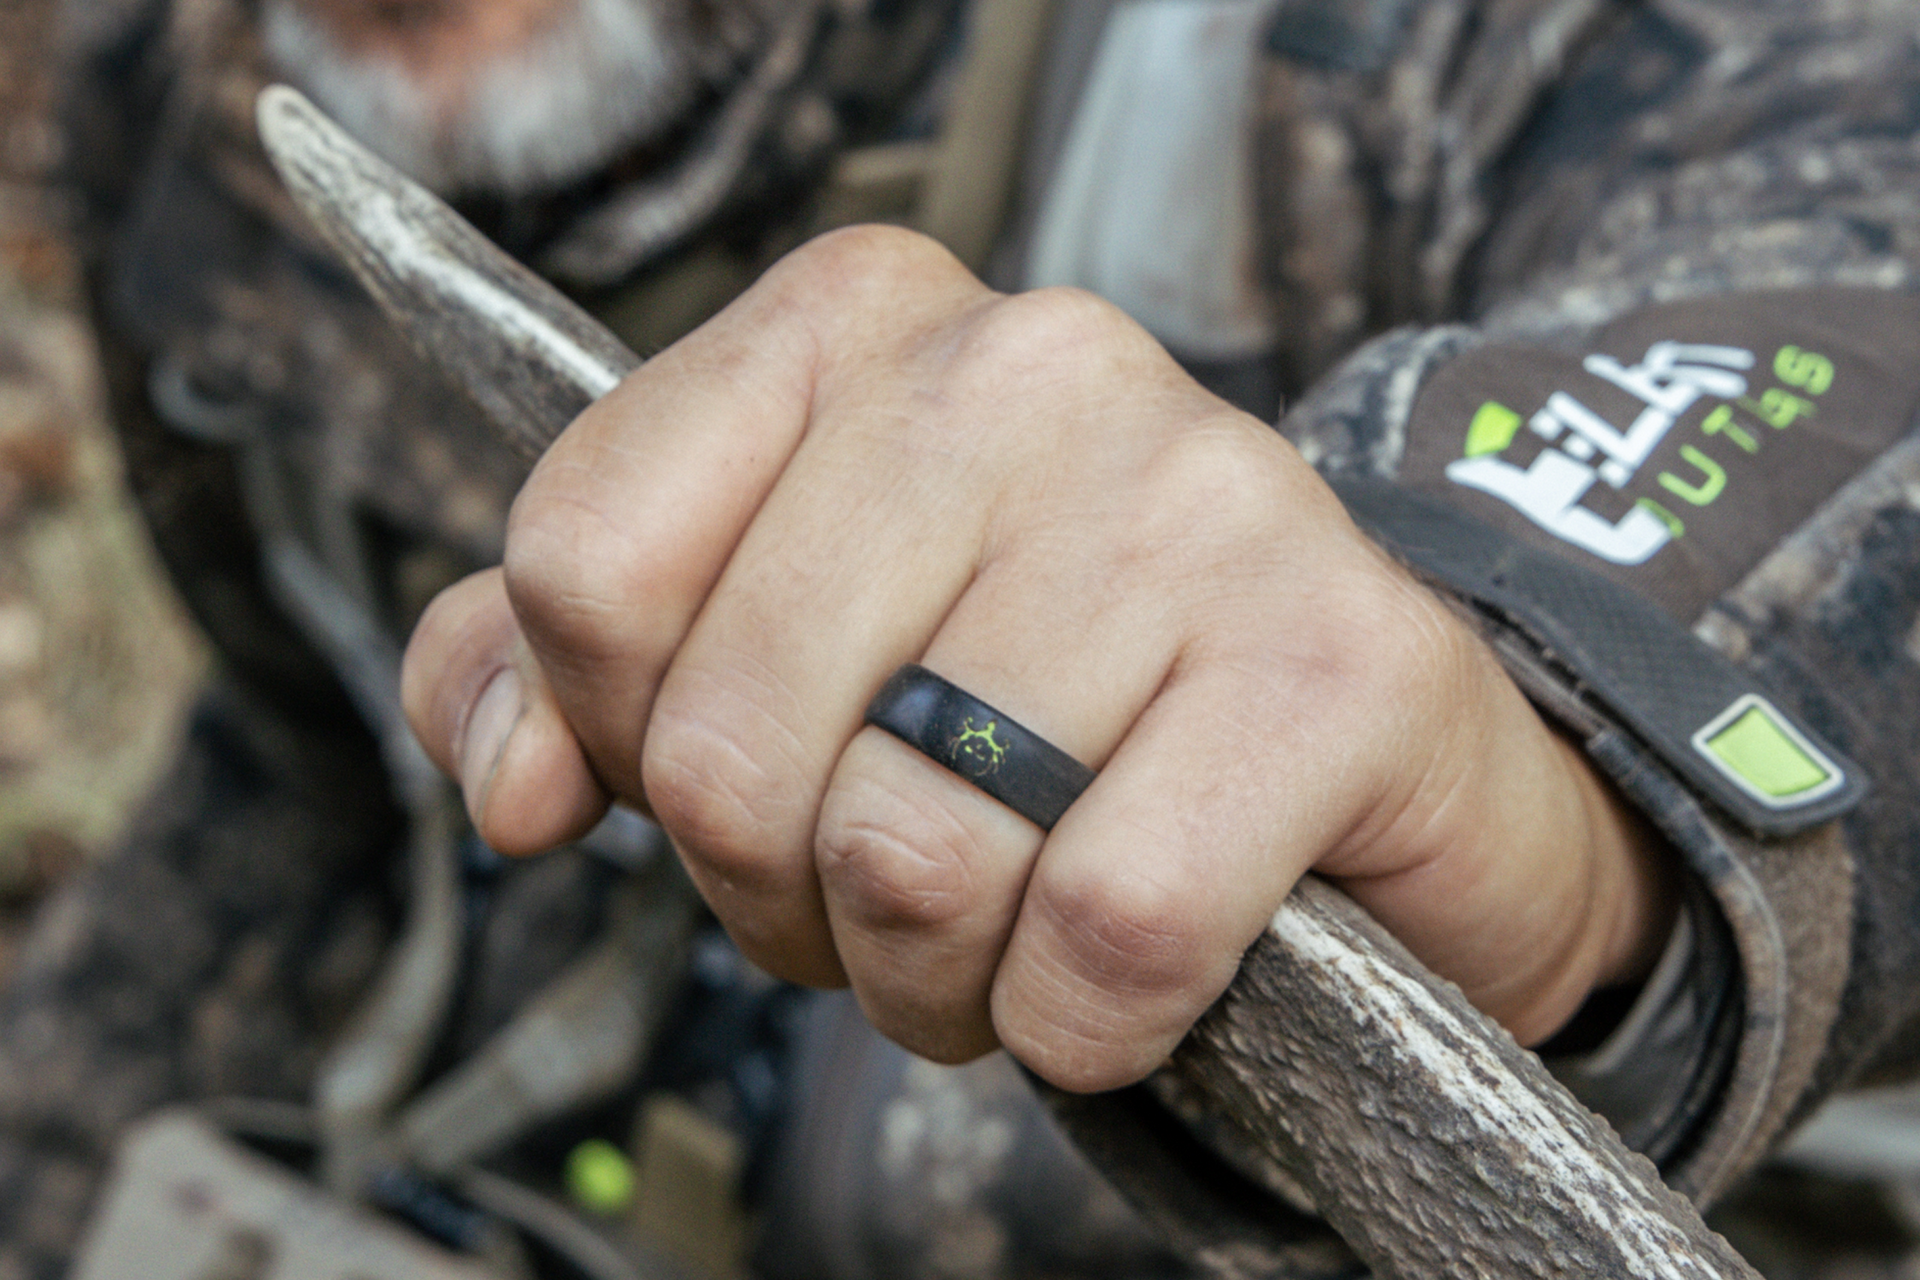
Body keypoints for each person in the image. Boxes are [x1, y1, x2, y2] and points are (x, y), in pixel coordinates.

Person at [8, 0, 1920, 1275]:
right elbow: (304, 755)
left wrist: (1543, 807)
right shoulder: (185, 126)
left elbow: (1852, 323)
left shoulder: (1430, 52)